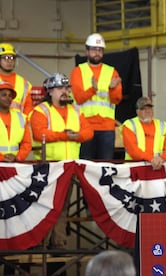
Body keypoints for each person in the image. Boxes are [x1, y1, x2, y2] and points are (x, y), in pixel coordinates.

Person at [29, 73, 93, 249]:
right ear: (50, 91)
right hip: (47, 167)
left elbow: (89, 132)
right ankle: (40, 243)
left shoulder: (76, 110)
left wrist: (77, 135)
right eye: (60, 88)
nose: (65, 92)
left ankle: (58, 242)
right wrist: (65, 135)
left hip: (69, 167)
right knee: (44, 206)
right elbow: (39, 133)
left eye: (66, 88)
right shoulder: (40, 111)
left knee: (62, 207)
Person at [70, 33, 122, 160]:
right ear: (87, 51)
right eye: (94, 49)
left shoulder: (111, 71)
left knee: (105, 166)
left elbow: (117, 99)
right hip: (85, 126)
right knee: (86, 166)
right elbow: (78, 98)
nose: (97, 53)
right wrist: (93, 89)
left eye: (100, 50)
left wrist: (112, 88)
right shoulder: (78, 71)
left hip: (107, 128)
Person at [122, 97, 166, 169]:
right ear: (137, 111)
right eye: (143, 109)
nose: (147, 111)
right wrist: (152, 159)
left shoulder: (163, 125)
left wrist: (161, 159)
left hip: (158, 166)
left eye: (149, 108)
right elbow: (133, 150)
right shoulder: (129, 125)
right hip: (135, 167)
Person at [0, 81, 32, 162]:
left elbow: (27, 143)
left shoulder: (20, 117)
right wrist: (2, 158)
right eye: (4, 95)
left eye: (10, 96)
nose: (8, 98)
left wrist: (18, 157)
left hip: (14, 165)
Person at [0, 43, 33, 115]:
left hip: (17, 124)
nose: (9, 61)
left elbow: (28, 108)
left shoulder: (24, 83)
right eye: (5, 58)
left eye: (12, 58)